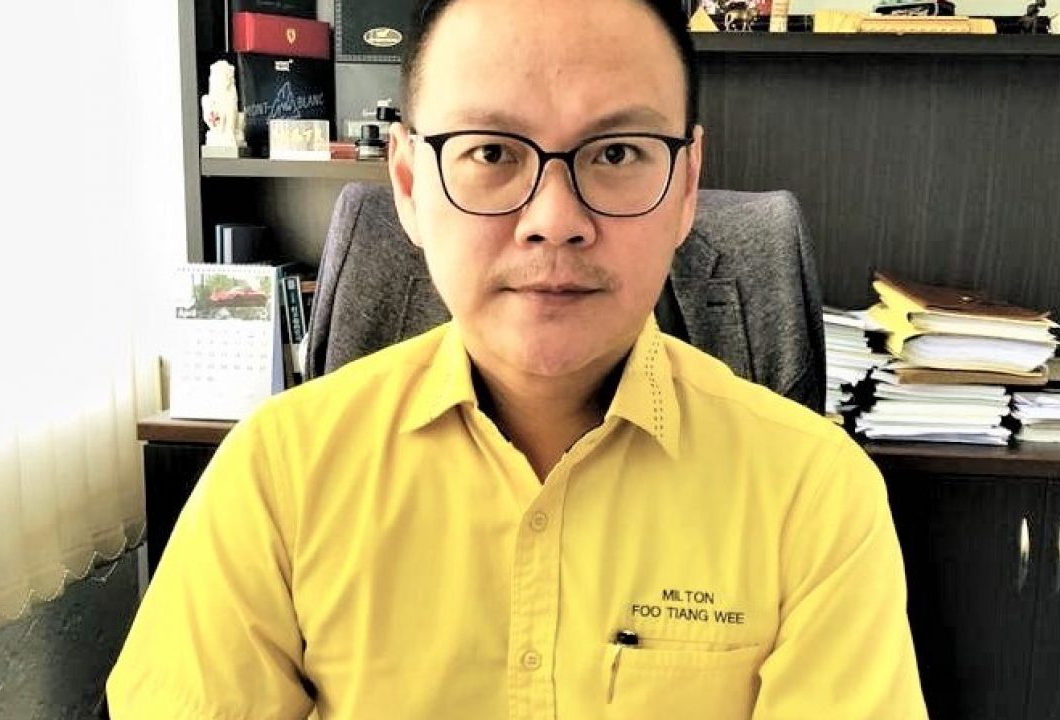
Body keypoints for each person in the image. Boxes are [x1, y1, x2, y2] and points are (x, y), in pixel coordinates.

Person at [106, 0, 928, 717]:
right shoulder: (277, 474)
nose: (554, 220)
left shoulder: (814, 495)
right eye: (493, 153)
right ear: (408, 184)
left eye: (617, 153)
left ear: (686, 186)